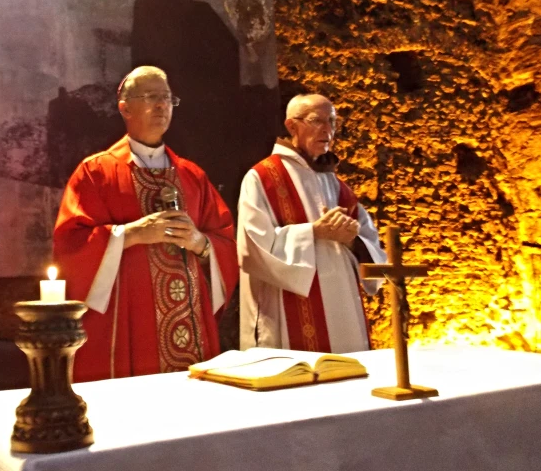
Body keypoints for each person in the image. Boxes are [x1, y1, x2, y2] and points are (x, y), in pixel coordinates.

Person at [53, 66, 238, 382]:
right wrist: (129, 234)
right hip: (129, 322)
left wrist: (200, 242)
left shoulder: (192, 175)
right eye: (151, 97)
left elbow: (225, 240)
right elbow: (70, 244)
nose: (162, 106)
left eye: (167, 98)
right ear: (124, 107)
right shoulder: (96, 173)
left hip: (189, 316)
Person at [237, 94, 386, 353]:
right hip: (287, 307)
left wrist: (352, 240)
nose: (327, 130)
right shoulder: (262, 177)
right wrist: (314, 232)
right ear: (292, 126)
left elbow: (373, 249)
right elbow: (253, 248)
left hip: (343, 312)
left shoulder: (339, 187)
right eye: (317, 121)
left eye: (332, 121)